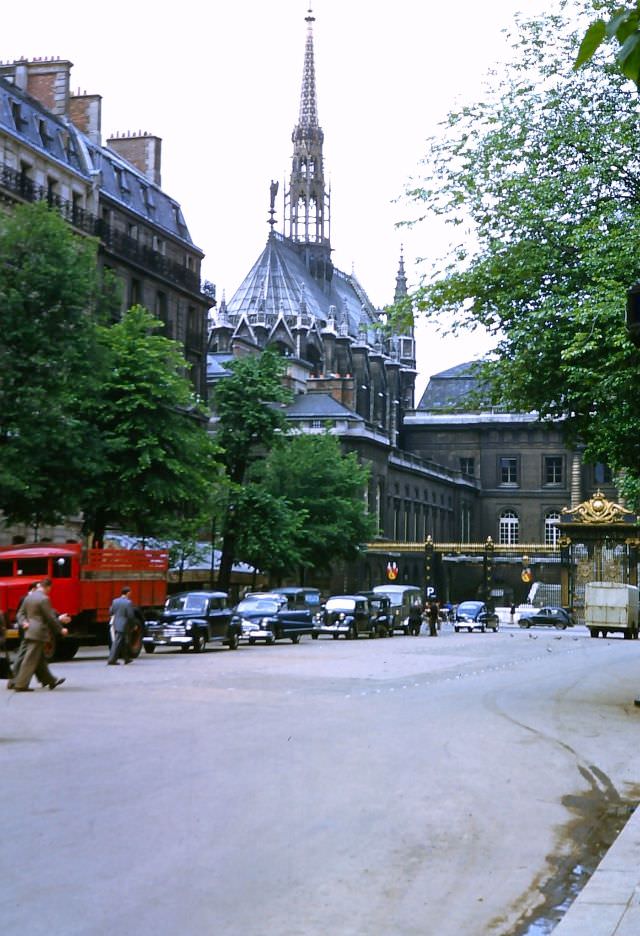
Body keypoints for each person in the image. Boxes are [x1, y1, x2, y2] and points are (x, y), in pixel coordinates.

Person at [11, 578, 70, 691]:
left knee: (38, 659)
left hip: (29, 630)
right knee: (30, 659)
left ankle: (50, 681)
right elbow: (50, 617)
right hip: (38, 632)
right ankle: (21, 684)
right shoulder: (44, 599)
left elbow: (20, 613)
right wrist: (60, 629)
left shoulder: (29, 597)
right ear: (48, 587)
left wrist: (24, 622)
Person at [7, 582, 42, 689]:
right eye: (38, 588)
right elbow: (20, 614)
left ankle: (49, 680)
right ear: (33, 589)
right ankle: (14, 681)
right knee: (23, 656)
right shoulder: (25, 599)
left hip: (34, 632)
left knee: (37, 658)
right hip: (27, 631)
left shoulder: (36, 599)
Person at [107, 586, 136, 665]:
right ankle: (111, 659)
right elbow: (130, 615)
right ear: (128, 593)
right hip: (124, 624)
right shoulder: (128, 602)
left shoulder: (115, 601)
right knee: (117, 642)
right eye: (130, 592)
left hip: (116, 623)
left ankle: (126, 658)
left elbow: (111, 612)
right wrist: (133, 625)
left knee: (124, 642)